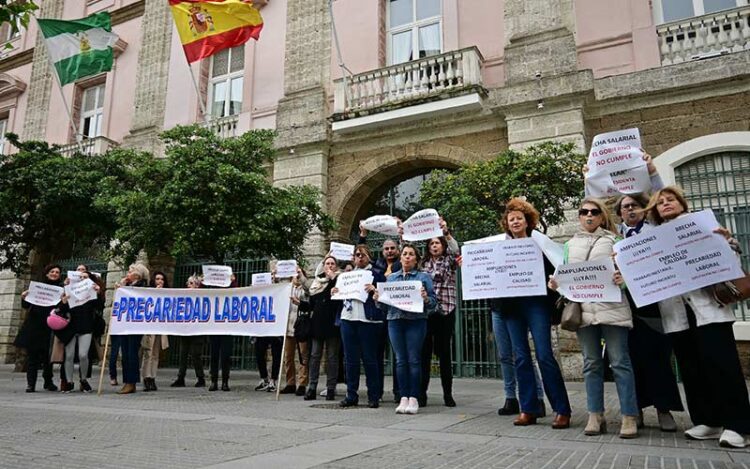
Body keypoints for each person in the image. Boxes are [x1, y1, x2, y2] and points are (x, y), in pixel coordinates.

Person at [645, 186, 750, 448]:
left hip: (708, 309)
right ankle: (708, 421)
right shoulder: (653, 238)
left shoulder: (702, 228)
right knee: (691, 369)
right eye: (661, 202)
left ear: (682, 204)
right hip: (676, 313)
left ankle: (739, 426)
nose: (666, 204)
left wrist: (727, 242)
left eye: (671, 200)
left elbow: (729, 262)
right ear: (655, 211)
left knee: (722, 367)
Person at [549, 197, 639, 438]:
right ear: (579, 216)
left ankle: (629, 416)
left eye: (594, 212)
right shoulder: (569, 245)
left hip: (612, 308)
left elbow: (630, 273)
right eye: (584, 212)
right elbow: (566, 276)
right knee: (591, 364)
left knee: (620, 363)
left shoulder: (616, 241)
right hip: (584, 311)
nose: (589, 215)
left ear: (602, 216)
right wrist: (557, 284)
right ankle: (595, 415)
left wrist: (624, 281)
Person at [496, 199, 572, 429]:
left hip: (536, 304)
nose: (515, 222)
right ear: (507, 224)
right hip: (511, 308)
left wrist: (555, 282)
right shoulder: (500, 246)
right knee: (520, 357)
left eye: (519, 218)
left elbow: (557, 266)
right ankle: (528, 409)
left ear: (528, 221)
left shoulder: (540, 243)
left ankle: (562, 410)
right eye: (512, 219)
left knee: (544, 354)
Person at [613, 193, 684, 431]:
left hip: (653, 307)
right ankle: (637, 409)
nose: (630, 210)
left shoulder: (656, 232)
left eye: (634, 205)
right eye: (625, 207)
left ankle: (664, 410)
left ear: (644, 209)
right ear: (619, 213)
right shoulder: (614, 238)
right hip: (624, 308)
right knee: (630, 361)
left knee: (657, 359)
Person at [374, 243, 437, 415]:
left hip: (416, 321)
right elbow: (385, 307)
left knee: (414, 360)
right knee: (400, 360)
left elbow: (434, 303)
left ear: (416, 259)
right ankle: (403, 397)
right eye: (405, 254)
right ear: (400, 258)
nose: (407, 256)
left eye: (411, 254)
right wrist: (378, 299)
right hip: (395, 321)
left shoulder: (423, 277)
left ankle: (414, 397)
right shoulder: (391, 279)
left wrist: (425, 299)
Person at [335, 245, 386, 408]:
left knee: (370, 360)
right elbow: (339, 295)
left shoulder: (376, 274)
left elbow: (385, 296)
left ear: (369, 257)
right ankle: (351, 395)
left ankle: (373, 396)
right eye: (357, 255)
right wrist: (335, 291)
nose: (360, 257)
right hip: (348, 319)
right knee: (350, 360)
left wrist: (375, 289)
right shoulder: (346, 276)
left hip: (368, 321)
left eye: (363, 255)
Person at [359, 224, 403, 402]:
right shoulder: (377, 265)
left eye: (393, 248)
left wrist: (401, 233)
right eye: (386, 249)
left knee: (398, 355)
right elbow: (362, 253)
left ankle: (399, 392)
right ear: (382, 251)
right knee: (376, 355)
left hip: (396, 314)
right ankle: (376, 391)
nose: (390, 251)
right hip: (378, 316)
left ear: (398, 250)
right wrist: (362, 235)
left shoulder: (402, 265)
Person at [419, 218, 459, 408]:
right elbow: (406, 251)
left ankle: (448, 394)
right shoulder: (423, 263)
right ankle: (422, 394)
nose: (434, 246)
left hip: (446, 309)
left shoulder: (450, 260)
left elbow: (456, 249)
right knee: (424, 353)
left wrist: (446, 231)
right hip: (427, 311)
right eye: (431, 243)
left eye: (437, 243)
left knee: (444, 354)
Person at [299, 255, 342, 401]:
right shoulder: (317, 282)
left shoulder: (340, 280)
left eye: (332, 263)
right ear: (323, 266)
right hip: (317, 324)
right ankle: (312, 387)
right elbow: (313, 301)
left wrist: (333, 279)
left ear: (336, 266)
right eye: (327, 263)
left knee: (332, 357)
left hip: (332, 324)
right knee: (315, 356)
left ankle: (331, 388)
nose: (329, 266)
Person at [16, 264, 63, 392]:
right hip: (35, 325)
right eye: (52, 271)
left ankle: (48, 381)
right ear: (47, 273)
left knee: (48, 358)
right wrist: (24, 297)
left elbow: (63, 309)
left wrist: (63, 301)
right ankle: (31, 384)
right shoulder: (37, 287)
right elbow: (26, 306)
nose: (54, 274)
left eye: (57, 272)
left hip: (51, 326)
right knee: (33, 357)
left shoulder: (61, 290)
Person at [59, 270, 103, 393]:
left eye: (85, 277)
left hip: (86, 326)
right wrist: (63, 302)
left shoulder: (92, 292)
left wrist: (98, 293)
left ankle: (83, 379)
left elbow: (99, 306)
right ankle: (68, 381)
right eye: (80, 277)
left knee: (83, 355)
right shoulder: (69, 290)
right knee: (69, 355)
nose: (83, 279)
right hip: (70, 326)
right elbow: (61, 310)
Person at [115, 263, 150, 394]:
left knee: (131, 353)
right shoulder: (127, 287)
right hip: (125, 323)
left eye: (131, 271)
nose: (128, 273)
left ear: (138, 274)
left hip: (135, 324)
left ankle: (131, 382)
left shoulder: (142, 287)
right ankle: (127, 381)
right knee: (125, 352)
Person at [170, 275, 206, 388]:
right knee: (183, 354)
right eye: (188, 283)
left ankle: (201, 378)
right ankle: (181, 378)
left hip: (197, 331)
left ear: (197, 286)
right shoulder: (184, 297)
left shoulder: (202, 297)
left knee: (196, 355)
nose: (188, 285)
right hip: (185, 330)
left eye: (191, 283)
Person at [280, 267, 310, 396]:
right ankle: (290, 382)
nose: (296, 278)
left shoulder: (305, 290)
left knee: (303, 356)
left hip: (301, 327)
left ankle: (302, 383)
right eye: (294, 276)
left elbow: (309, 297)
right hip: (288, 327)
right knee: (288, 357)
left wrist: (299, 302)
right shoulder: (287, 289)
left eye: (298, 276)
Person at [141, 271, 170, 392]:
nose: (160, 281)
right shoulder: (149, 293)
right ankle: (146, 377)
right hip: (150, 326)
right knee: (148, 353)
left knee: (156, 354)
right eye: (157, 279)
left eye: (162, 279)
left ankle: (153, 377)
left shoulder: (167, 294)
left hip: (160, 327)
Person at [208, 274, 236, 392]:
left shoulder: (231, 292)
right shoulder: (212, 293)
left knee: (225, 356)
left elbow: (238, 292)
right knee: (214, 356)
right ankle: (213, 381)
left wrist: (233, 282)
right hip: (214, 328)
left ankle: (225, 381)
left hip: (227, 328)